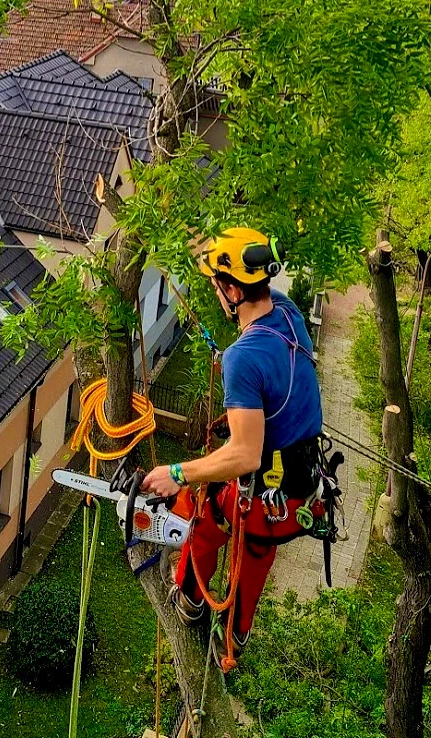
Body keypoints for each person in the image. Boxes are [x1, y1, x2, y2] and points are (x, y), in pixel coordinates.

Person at [142, 227, 323, 655]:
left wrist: (176, 473)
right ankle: (236, 637)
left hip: (262, 494)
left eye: (216, 284)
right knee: (256, 557)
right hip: (299, 487)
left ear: (230, 289)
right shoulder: (287, 310)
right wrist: (194, 243)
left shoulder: (244, 358)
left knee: (204, 523)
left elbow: (244, 454)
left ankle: (190, 601)